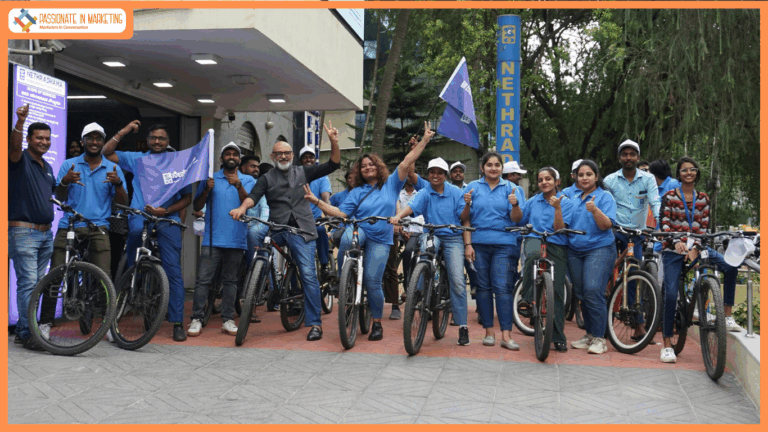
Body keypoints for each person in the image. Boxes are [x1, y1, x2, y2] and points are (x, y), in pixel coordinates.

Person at [304, 122, 435, 342]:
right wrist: (316, 201)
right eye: (363, 166)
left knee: (374, 282)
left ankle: (376, 323)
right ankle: (347, 275)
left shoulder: (391, 184)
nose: (367, 167)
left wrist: (424, 140)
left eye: (371, 164)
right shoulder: (356, 192)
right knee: (347, 236)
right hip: (360, 230)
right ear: (359, 171)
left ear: (378, 166)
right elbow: (340, 213)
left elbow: (407, 161)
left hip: (382, 238)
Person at [230, 122, 341, 341]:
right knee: (256, 235)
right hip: (277, 226)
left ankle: (315, 324)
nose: (283, 156)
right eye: (279, 153)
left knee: (308, 274)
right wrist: (242, 208)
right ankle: (259, 275)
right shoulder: (266, 178)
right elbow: (253, 197)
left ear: (292, 155)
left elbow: (333, 164)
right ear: (272, 157)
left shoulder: (303, 171)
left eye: (287, 153)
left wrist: (334, 142)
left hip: (301, 229)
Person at [102, 121, 193, 342]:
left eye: (162, 138)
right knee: (133, 236)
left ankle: (177, 322)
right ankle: (134, 273)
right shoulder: (137, 160)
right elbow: (106, 153)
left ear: (168, 142)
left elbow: (187, 198)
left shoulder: (178, 164)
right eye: (153, 138)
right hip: (140, 216)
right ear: (148, 140)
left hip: (167, 219)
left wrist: (167, 210)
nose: (157, 142)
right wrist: (124, 130)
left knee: (173, 270)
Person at [658, 157, 741, 363]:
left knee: (731, 267)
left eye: (692, 169)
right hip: (673, 249)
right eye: (684, 170)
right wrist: (677, 242)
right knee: (670, 294)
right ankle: (667, 344)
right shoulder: (669, 196)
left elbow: (703, 227)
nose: (688, 173)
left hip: (697, 246)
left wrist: (694, 246)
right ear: (678, 174)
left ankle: (727, 315)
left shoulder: (703, 198)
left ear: (697, 173)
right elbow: (665, 224)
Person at [390, 157, 471, 345]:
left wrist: (467, 204)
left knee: (458, 280)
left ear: (446, 175)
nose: (436, 175)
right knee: (423, 258)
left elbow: (463, 216)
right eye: (432, 172)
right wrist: (397, 216)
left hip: (452, 236)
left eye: (440, 172)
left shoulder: (456, 192)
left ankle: (463, 326)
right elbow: (411, 207)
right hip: (431, 233)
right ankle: (418, 294)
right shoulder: (425, 192)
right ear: (428, 174)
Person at [188, 143, 256, 337]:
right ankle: (196, 319)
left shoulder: (248, 180)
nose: (231, 156)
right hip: (212, 238)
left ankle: (227, 319)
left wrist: (238, 184)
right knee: (203, 281)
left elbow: (249, 204)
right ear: (221, 159)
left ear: (239, 159)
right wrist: (206, 190)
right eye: (228, 153)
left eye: (235, 154)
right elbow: (197, 204)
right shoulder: (210, 178)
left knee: (231, 281)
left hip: (236, 238)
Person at [462, 151, 525, 351]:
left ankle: (506, 335)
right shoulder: (471, 188)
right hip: (478, 243)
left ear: (502, 168)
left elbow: (517, 219)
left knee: (502, 287)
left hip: (505, 243)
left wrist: (514, 204)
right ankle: (489, 332)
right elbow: (465, 218)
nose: (493, 168)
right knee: (483, 287)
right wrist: (468, 244)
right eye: (489, 164)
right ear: (483, 168)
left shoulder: (512, 188)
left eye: (497, 165)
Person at [52, 122, 128, 278]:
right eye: (90, 138)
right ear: (82, 142)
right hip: (69, 225)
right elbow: (59, 197)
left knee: (103, 279)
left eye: (99, 138)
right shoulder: (69, 165)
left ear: (103, 142)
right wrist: (65, 181)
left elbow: (123, 203)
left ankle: (99, 302)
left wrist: (118, 183)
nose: (94, 142)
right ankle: (50, 302)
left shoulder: (113, 168)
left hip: (98, 228)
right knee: (54, 276)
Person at [512, 167, 574, 353]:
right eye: (540, 180)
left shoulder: (566, 202)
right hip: (535, 238)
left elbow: (559, 227)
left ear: (557, 182)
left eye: (548, 179)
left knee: (556, 292)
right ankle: (528, 297)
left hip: (557, 242)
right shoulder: (533, 201)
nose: (544, 182)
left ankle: (558, 337)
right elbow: (518, 220)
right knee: (532, 255)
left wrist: (557, 208)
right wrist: (515, 205)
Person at [9, 104, 56, 351]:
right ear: (29, 139)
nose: (44, 142)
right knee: (28, 282)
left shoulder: (46, 167)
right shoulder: (19, 159)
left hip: (45, 233)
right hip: (23, 231)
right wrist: (20, 121)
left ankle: (25, 331)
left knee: (37, 283)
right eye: (39, 138)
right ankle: (28, 333)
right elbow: (14, 147)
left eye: (47, 138)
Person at [604, 139, 661, 340]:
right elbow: (603, 205)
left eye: (632, 154)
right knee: (607, 272)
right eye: (624, 154)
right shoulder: (610, 180)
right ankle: (604, 316)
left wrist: (661, 225)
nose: (628, 158)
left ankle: (638, 324)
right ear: (619, 157)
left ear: (637, 157)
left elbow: (655, 202)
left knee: (634, 275)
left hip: (636, 234)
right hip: (614, 231)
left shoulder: (648, 179)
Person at [567, 160, 617, 354]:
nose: (584, 178)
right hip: (574, 250)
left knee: (593, 289)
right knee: (581, 293)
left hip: (600, 248)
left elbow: (606, 225)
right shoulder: (572, 197)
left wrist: (595, 210)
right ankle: (589, 335)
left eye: (589, 174)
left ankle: (600, 338)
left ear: (596, 177)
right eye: (581, 175)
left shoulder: (605, 197)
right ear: (576, 177)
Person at [299, 145, 334, 280]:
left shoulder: (322, 177)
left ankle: (324, 266)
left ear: (315, 159)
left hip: (315, 219)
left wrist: (331, 217)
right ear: (300, 160)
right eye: (305, 157)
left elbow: (326, 198)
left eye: (311, 157)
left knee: (320, 231)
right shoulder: (294, 175)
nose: (308, 160)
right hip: (296, 219)